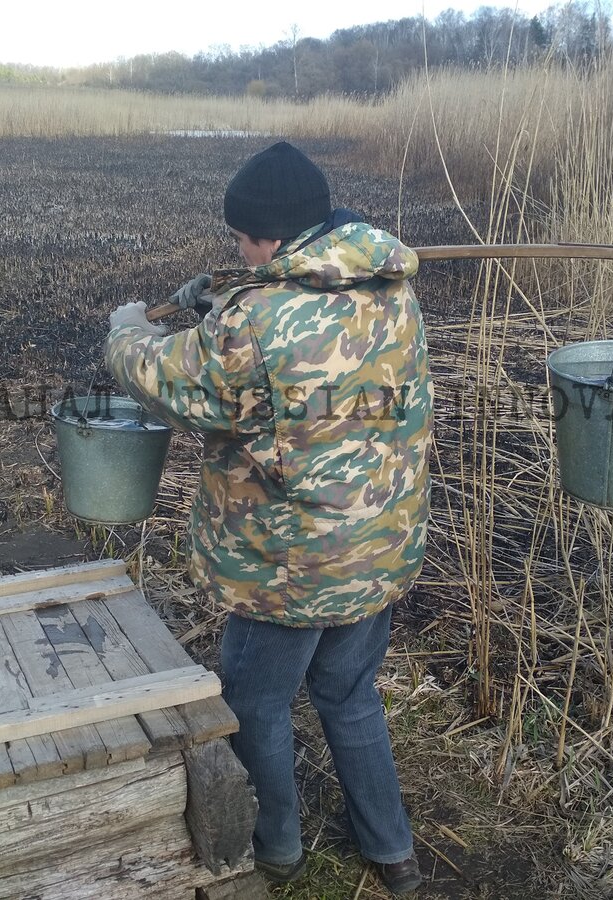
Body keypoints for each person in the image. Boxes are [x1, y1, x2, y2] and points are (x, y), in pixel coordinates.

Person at [104, 141, 432, 895]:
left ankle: (276, 846)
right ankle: (394, 852)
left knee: (253, 701)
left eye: (241, 239)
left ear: (274, 241)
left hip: (289, 569)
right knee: (349, 695)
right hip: (377, 545)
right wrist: (219, 299)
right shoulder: (389, 286)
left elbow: (170, 381)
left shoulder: (257, 322)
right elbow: (290, 352)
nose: (235, 248)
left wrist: (127, 329)